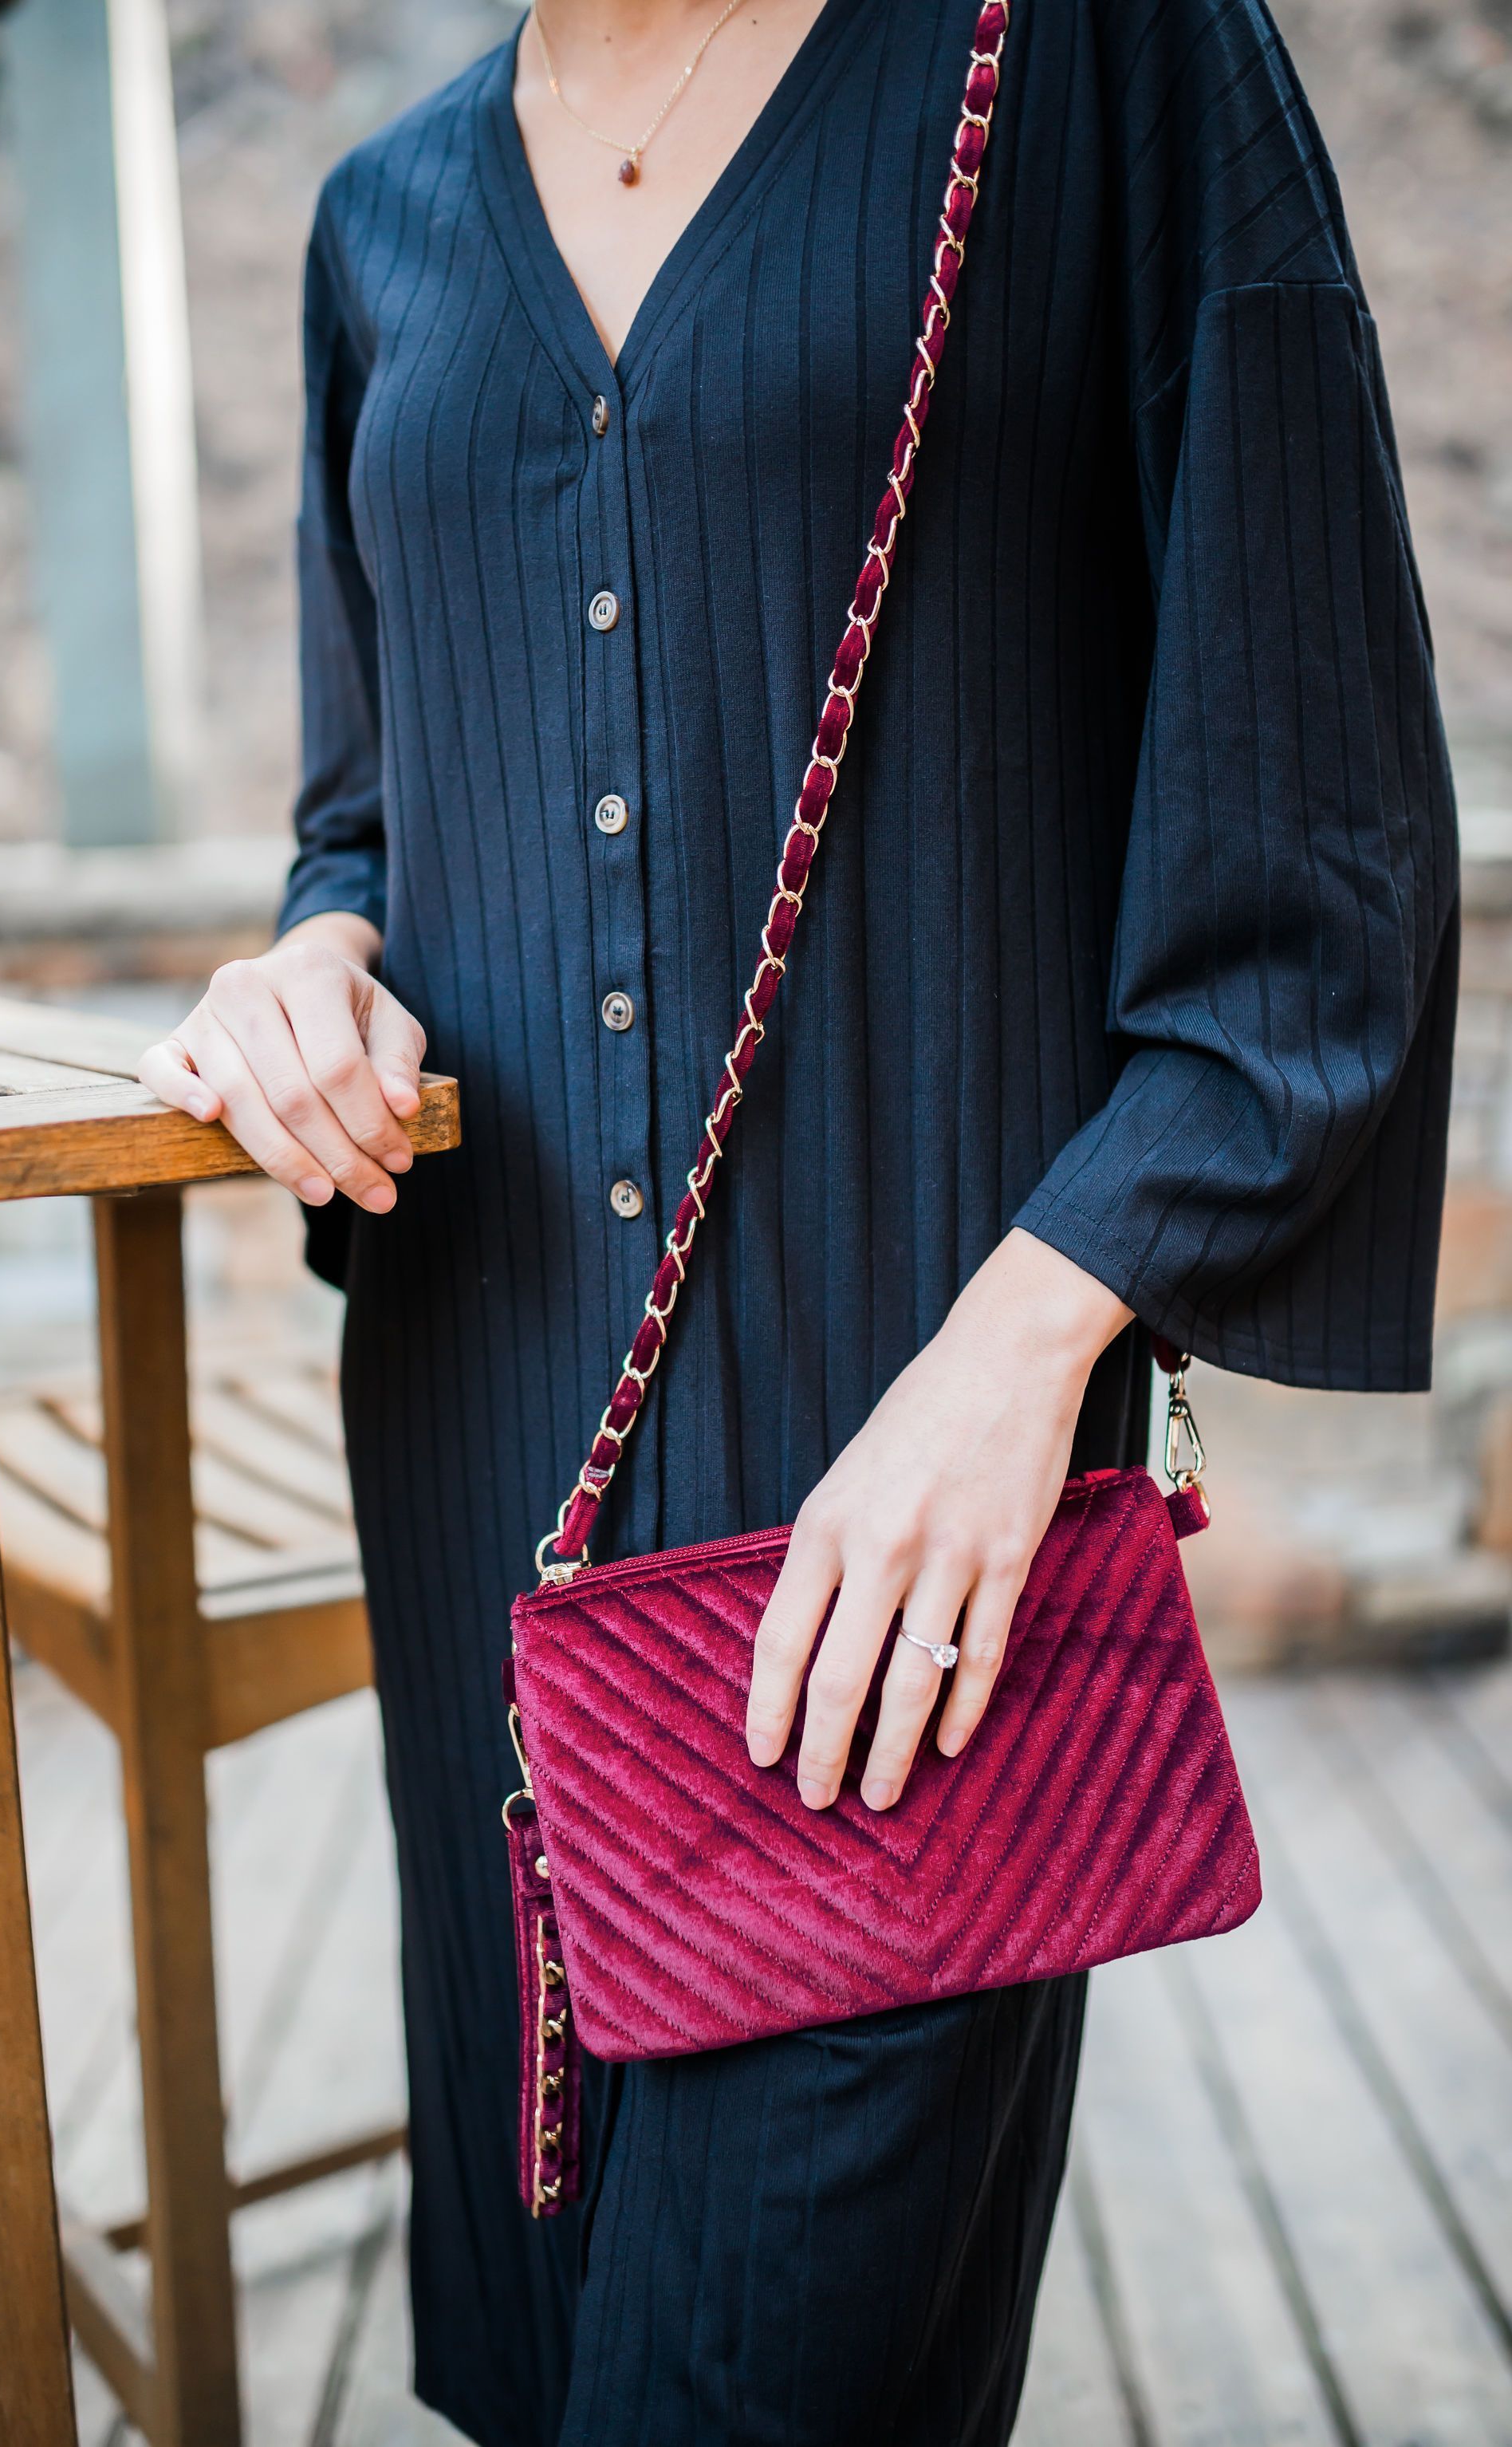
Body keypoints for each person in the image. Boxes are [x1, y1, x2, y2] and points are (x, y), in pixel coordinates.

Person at [140, 0, 1459, 2437]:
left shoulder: (1101, 64)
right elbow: (369, 823)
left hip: (900, 1534)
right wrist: (305, 965)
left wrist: (1025, 1362)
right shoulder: (382, 220)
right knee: (555, 2374)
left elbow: (1321, 821)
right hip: (490, 1502)